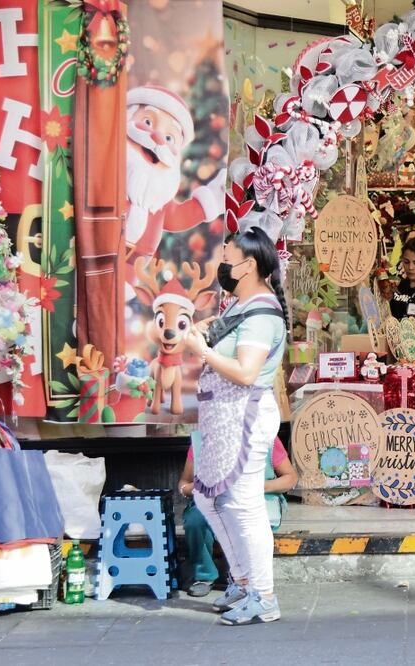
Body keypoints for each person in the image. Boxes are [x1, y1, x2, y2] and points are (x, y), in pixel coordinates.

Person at [182, 226, 289, 625]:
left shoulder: (261, 314)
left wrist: (203, 351)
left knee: (245, 506)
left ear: (249, 265)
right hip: (221, 419)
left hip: (245, 417)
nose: (222, 264)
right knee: (208, 499)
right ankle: (242, 581)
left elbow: (246, 372)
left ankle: (264, 596)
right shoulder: (237, 307)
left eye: (227, 258)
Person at [178, 436, 297, 597]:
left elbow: (290, 478)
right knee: (195, 520)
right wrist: (196, 488)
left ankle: (242, 580)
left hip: (254, 500)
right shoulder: (201, 440)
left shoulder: (266, 438)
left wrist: (260, 486)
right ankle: (204, 575)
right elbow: (184, 483)